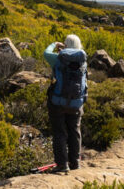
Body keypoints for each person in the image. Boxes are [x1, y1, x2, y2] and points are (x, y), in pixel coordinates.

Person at [43, 34, 87, 173]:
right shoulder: (83, 60)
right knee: (75, 131)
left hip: (57, 102)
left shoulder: (58, 58)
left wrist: (55, 44)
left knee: (59, 132)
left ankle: (62, 165)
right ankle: (75, 162)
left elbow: (46, 53)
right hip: (76, 102)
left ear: (65, 45)